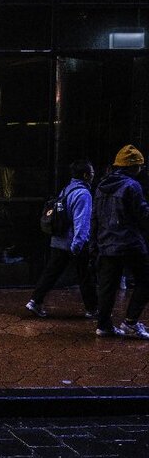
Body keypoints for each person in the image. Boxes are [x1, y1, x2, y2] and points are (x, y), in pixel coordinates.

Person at [26, 159, 97, 318]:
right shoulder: (83, 194)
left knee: (51, 273)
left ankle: (35, 301)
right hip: (73, 241)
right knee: (85, 276)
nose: (93, 176)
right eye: (92, 173)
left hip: (58, 240)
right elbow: (81, 221)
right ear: (86, 175)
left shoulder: (67, 189)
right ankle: (93, 309)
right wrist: (78, 245)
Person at [92, 144, 149, 338]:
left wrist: (95, 243)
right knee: (145, 280)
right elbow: (142, 216)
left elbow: (95, 217)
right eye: (140, 165)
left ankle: (103, 325)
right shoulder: (132, 186)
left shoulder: (101, 186)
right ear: (133, 167)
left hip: (106, 243)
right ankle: (131, 322)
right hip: (130, 242)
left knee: (108, 286)